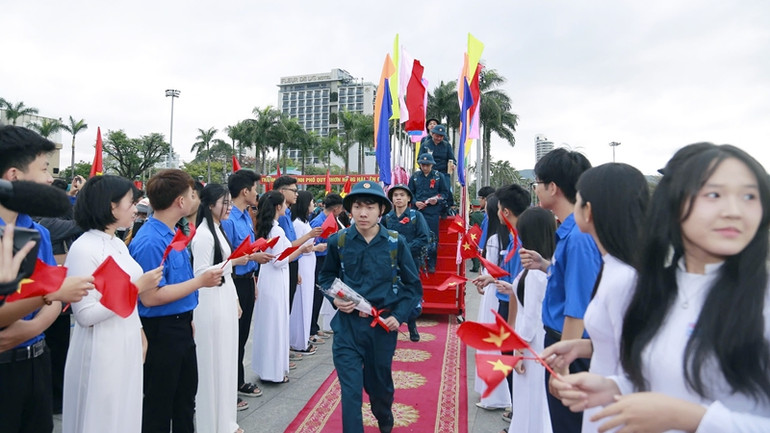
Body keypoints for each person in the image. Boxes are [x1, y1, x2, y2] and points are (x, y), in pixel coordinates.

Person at [552, 143, 770, 432]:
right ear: (673, 204)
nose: (733, 211)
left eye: (748, 196)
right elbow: (660, 377)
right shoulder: (660, 289)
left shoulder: (761, 300)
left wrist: (692, 418)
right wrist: (611, 387)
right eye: (714, 195)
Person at [540, 163, 649, 433]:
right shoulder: (614, 266)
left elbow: (640, 357)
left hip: (613, 403)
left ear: (588, 211)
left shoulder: (623, 278)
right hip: (602, 390)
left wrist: (569, 354)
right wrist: (579, 347)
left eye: (578, 199)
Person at [0, 125, 94, 433]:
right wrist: (53, 294)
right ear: (14, 176)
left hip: (37, 360)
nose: (49, 179)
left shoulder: (38, 232)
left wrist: (34, 325)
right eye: (43, 169)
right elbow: (54, 291)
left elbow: (55, 292)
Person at [318, 180, 423, 433]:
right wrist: (335, 300)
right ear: (349, 210)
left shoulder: (395, 243)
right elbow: (325, 278)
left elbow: (413, 287)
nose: (363, 213)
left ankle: (384, 416)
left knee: (379, 387)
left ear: (381, 211)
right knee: (351, 392)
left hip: (381, 329)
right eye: (357, 207)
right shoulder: (338, 241)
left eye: (370, 207)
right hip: (347, 329)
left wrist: (399, 316)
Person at [62, 175, 163, 433]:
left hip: (126, 338)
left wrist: (139, 332)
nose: (136, 209)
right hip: (101, 347)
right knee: (102, 416)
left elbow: (126, 297)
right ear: (111, 206)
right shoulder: (84, 248)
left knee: (125, 413)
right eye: (131, 202)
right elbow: (85, 315)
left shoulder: (118, 243)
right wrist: (135, 289)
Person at [129, 169, 223, 433]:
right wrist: (199, 283)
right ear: (180, 202)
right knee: (159, 405)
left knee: (184, 400)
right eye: (192, 194)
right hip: (160, 331)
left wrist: (187, 315)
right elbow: (149, 297)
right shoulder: (150, 240)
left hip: (180, 325)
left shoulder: (172, 233)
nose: (196, 199)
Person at [520, 148, 601, 433]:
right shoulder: (570, 233)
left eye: (538, 183)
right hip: (565, 345)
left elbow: (577, 308)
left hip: (572, 351)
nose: (536, 189)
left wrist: (562, 365)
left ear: (553, 187)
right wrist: (545, 265)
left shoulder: (578, 237)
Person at [190, 183, 248, 431]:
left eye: (228, 202)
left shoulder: (218, 229)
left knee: (225, 359)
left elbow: (224, 267)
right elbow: (201, 273)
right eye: (224, 202)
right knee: (212, 361)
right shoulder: (203, 235)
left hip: (223, 297)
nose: (228, 207)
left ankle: (225, 421)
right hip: (209, 301)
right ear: (210, 204)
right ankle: (211, 422)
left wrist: (234, 299)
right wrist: (234, 262)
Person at [472, 184, 530, 423]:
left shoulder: (520, 241)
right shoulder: (515, 238)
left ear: (504, 211)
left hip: (514, 310)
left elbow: (518, 286)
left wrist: (513, 327)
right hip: (508, 303)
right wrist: (492, 277)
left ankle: (518, 414)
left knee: (512, 363)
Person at [495, 207, 556, 433]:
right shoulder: (542, 267)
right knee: (533, 400)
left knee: (530, 400)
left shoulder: (536, 273)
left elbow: (530, 317)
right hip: (536, 343)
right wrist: (511, 287)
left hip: (531, 346)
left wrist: (518, 351)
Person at [220, 169, 272, 400]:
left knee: (241, 337)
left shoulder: (245, 216)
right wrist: (253, 258)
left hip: (247, 281)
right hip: (234, 282)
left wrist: (253, 278)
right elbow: (226, 257)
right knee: (233, 337)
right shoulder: (230, 219)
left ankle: (238, 380)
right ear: (244, 191)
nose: (257, 193)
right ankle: (230, 386)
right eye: (254, 189)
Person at [252, 191, 312, 384]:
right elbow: (279, 260)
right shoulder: (276, 230)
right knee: (275, 325)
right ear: (278, 207)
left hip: (269, 278)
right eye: (284, 204)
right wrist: (300, 251)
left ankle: (268, 368)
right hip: (275, 279)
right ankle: (273, 372)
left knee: (270, 324)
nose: (287, 207)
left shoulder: (269, 227)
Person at [471, 194, 512, 411]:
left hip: (494, 293)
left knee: (490, 343)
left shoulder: (495, 240)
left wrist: (484, 280)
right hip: (505, 293)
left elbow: (491, 270)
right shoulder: (510, 238)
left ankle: (493, 395)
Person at [383, 183, 430, 341]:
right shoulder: (387, 218)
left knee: (410, 293)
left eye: (402, 195)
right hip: (390, 264)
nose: (399, 198)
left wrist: (404, 251)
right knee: (391, 293)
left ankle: (412, 325)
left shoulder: (416, 216)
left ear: (409, 198)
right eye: (395, 195)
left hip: (410, 262)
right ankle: (391, 327)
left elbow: (424, 238)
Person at [289, 190, 324, 355]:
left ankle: (303, 338)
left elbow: (307, 246)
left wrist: (316, 247)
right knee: (300, 302)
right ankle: (298, 341)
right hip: (302, 264)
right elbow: (296, 246)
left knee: (307, 301)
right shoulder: (297, 224)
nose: (313, 205)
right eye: (311, 202)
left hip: (309, 262)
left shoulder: (305, 222)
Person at [309, 193, 344, 342]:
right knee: (317, 295)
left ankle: (315, 326)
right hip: (319, 261)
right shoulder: (318, 221)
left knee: (323, 295)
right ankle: (312, 329)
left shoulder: (332, 220)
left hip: (328, 260)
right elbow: (310, 243)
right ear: (336, 208)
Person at [408, 153, 450, 273]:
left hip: (432, 212)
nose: (425, 167)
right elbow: (410, 194)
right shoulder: (415, 177)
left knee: (432, 237)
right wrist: (415, 203)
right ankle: (417, 262)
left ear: (432, 165)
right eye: (423, 164)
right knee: (416, 236)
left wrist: (436, 199)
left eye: (427, 165)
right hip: (418, 211)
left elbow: (445, 194)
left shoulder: (438, 176)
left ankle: (431, 263)